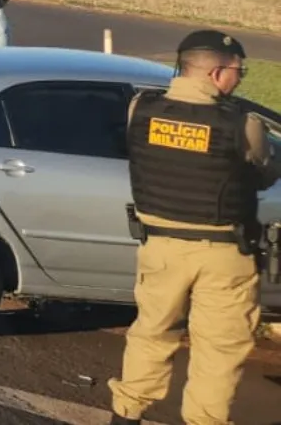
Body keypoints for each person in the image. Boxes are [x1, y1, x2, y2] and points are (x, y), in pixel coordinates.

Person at [109, 30, 280, 425]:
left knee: (150, 334)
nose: (240, 79)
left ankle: (126, 414)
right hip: (224, 255)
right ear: (218, 73)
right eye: (240, 71)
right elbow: (263, 172)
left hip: (160, 249)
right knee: (219, 350)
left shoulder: (141, 108)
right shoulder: (244, 124)